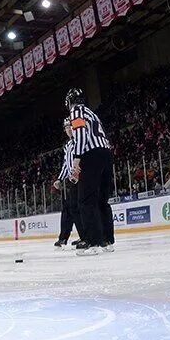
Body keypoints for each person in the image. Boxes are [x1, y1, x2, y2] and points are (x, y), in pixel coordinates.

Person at [66, 88, 115, 255]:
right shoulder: (92, 113)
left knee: (86, 200)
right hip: (106, 153)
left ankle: (93, 242)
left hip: (91, 155)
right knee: (102, 200)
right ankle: (107, 241)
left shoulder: (76, 111)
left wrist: (77, 158)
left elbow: (80, 134)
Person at [53, 118, 81, 248]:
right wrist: (60, 179)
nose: (68, 129)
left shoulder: (80, 141)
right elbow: (66, 164)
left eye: (70, 126)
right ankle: (63, 238)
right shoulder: (68, 145)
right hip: (71, 180)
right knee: (68, 208)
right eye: (66, 127)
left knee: (76, 207)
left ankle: (85, 235)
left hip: (82, 178)